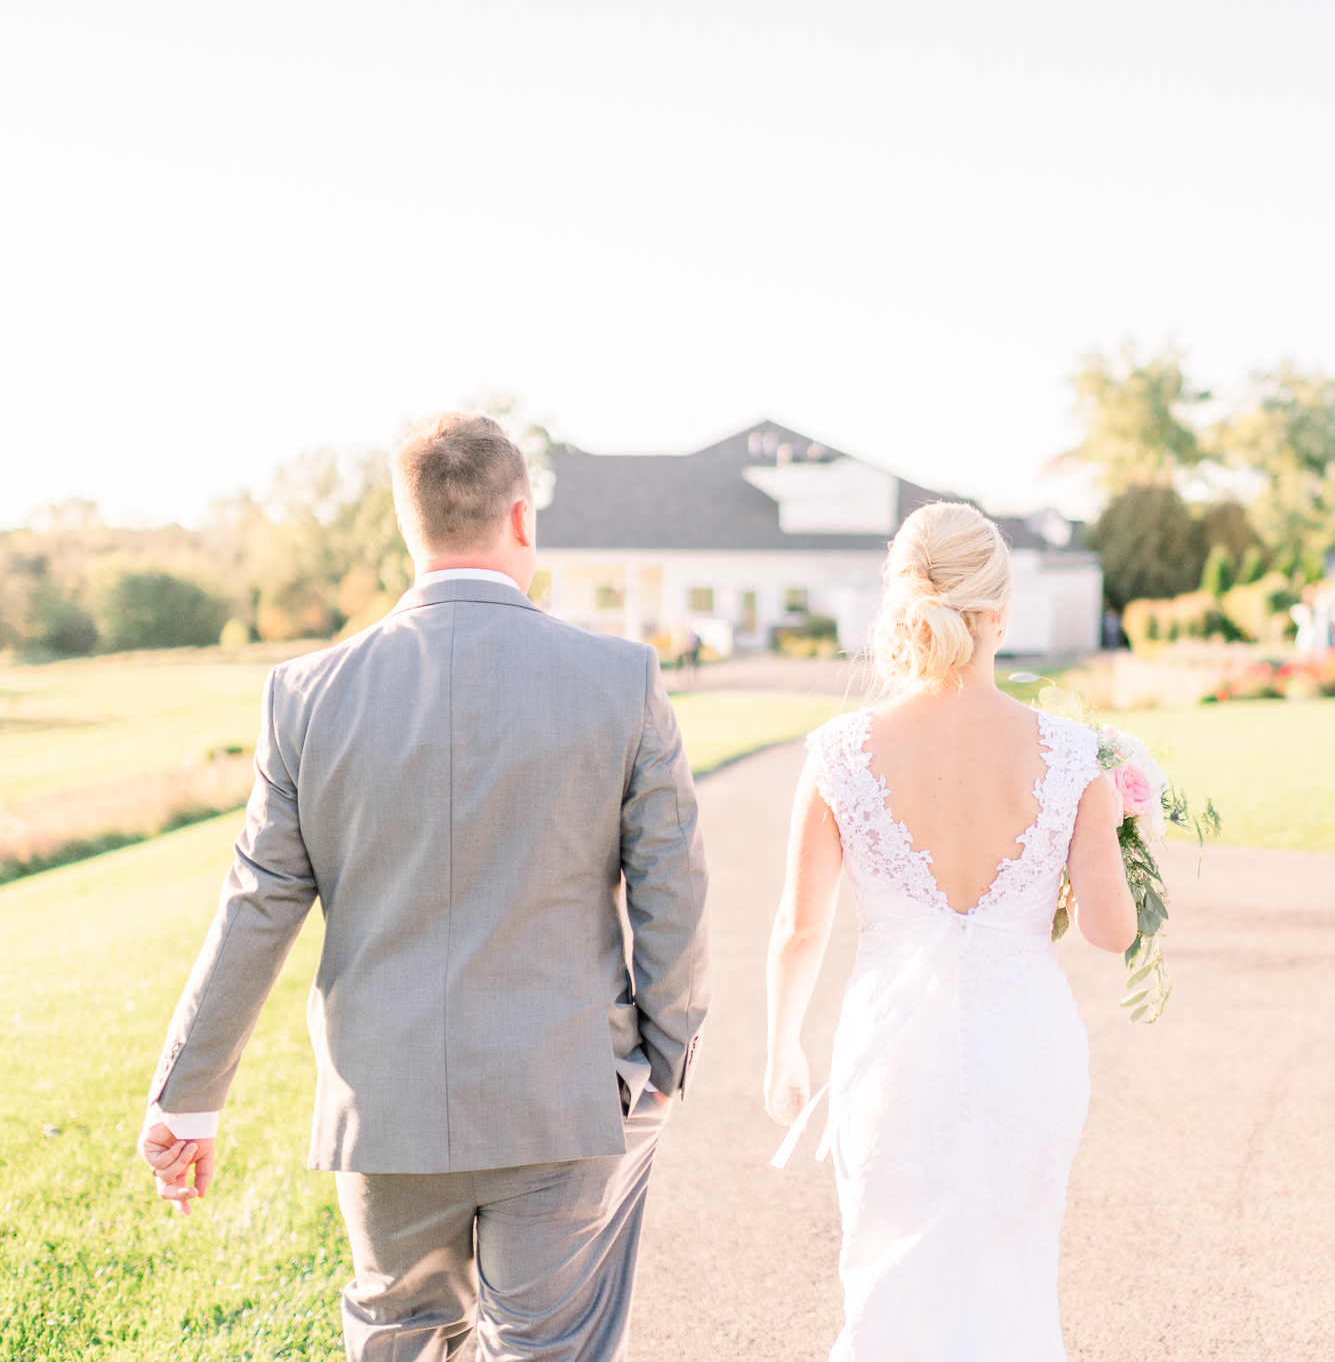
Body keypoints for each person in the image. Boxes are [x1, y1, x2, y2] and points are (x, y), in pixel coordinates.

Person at [136, 413, 711, 1360]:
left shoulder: (306, 694)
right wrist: (664, 1060)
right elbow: (673, 892)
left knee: (399, 1339)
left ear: (410, 529)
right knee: (549, 1347)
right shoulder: (621, 679)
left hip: (385, 1105)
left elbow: (257, 905)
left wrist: (188, 1099)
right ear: (521, 520)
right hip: (567, 1090)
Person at [764, 502, 1138, 1361]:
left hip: (891, 1054)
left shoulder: (841, 753)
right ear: (1000, 611)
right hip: (1028, 1050)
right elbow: (1113, 934)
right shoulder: (1077, 759)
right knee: (1012, 1274)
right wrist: (1115, 838)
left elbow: (797, 927)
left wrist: (783, 1048)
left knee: (893, 1281)